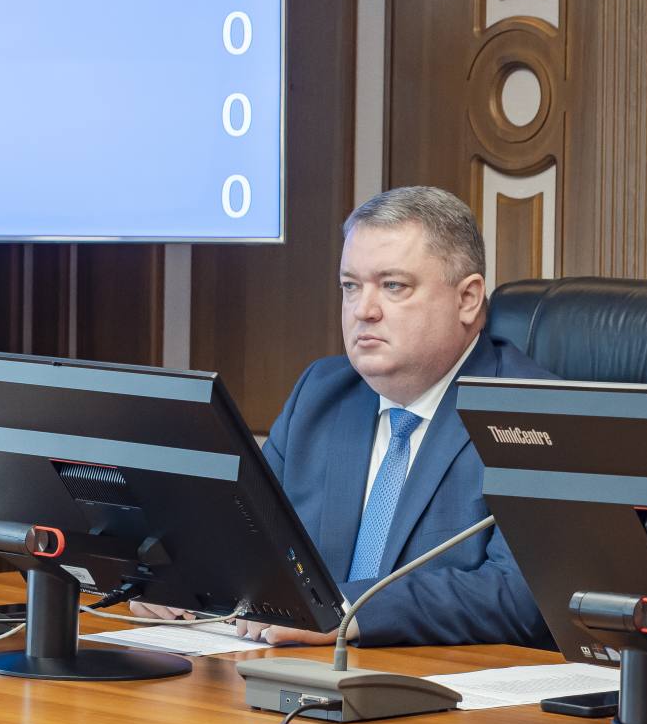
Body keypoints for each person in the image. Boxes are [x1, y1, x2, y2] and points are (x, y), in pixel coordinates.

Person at [132, 186, 553, 647]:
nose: (363, 311)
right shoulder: (323, 393)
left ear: (468, 298)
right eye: (351, 286)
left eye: (393, 286)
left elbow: (524, 595)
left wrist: (349, 609)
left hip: (446, 682)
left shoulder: (534, 415)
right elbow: (244, 540)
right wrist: (183, 579)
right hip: (296, 673)